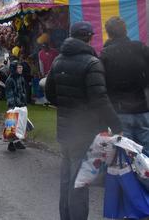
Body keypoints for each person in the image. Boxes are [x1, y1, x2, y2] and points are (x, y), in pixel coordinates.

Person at [45, 21, 122, 220]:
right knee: (79, 181)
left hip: (65, 130)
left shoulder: (58, 60)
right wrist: (116, 125)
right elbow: (100, 99)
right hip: (85, 130)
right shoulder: (92, 63)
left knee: (67, 179)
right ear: (89, 37)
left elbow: (50, 94)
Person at [100, 16, 149, 152]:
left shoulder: (105, 54)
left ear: (108, 33)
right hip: (142, 108)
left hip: (120, 110)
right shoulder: (140, 48)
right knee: (145, 151)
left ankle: (132, 174)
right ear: (125, 31)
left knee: (126, 154)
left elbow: (101, 84)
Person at [5, 63, 27, 151]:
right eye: (19, 67)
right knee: (11, 124)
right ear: (14, 68)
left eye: (21, 67)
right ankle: (10, 143)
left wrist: (24, 102)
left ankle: (18, 141)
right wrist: (12, 106)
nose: (21, 69)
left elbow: (23, 91)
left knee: (20, 124)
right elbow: (9, 94)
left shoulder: (21, 78)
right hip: (13, 105)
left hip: (21, 104)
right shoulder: (10, 80)